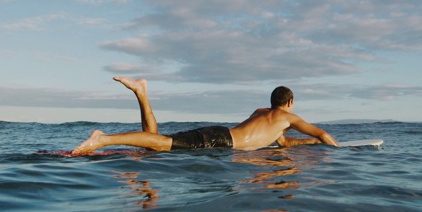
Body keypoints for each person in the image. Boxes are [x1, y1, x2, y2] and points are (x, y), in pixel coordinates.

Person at [71, 77, 339, 155]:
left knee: (155, 143)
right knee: (160, 143)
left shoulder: (263, 114)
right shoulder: (288, 117)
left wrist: (311, 144)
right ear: (290, 102)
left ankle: (141, 92)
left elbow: (282, 143)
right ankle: (103, 139)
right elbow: (322, 133)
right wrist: (334, 147)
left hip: (219, 134)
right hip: (220, 143)